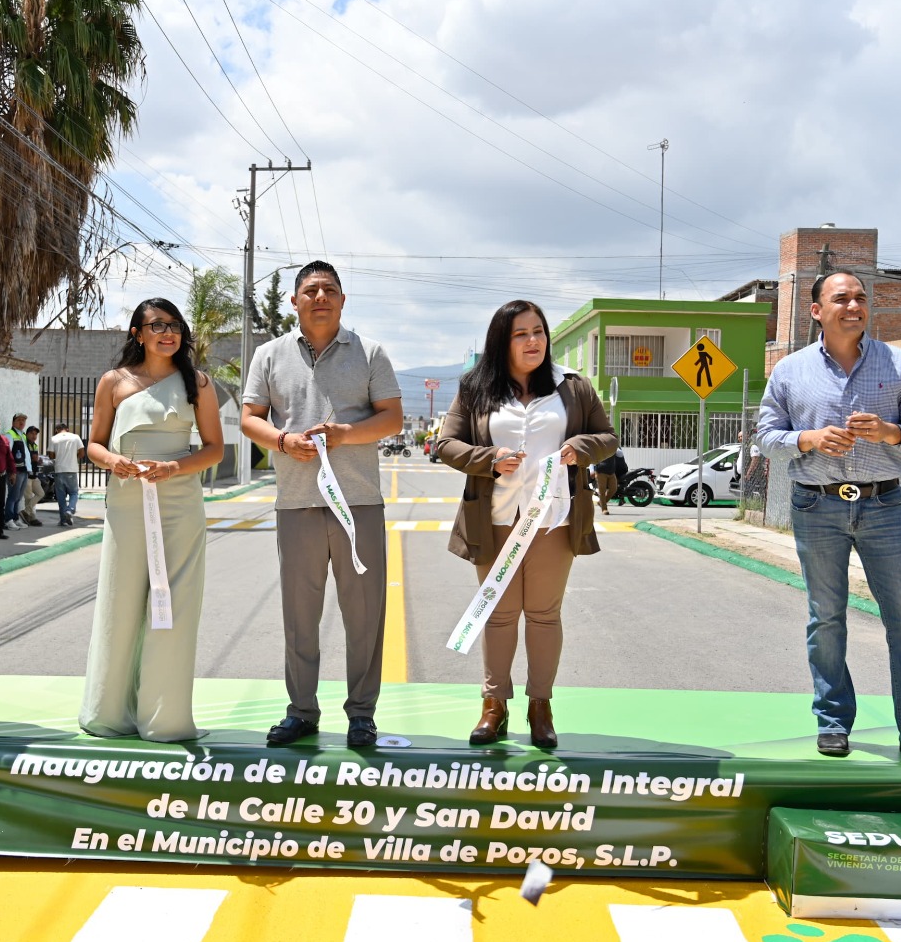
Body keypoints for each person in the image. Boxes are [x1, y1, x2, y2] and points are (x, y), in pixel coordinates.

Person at [756, 271, 901, 769]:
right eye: (841, 298)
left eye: (860, 298)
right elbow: (764, 435)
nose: (853, 305)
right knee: (826, 618)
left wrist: (889, 432)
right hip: (815, 504)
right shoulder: (790, 371)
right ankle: (833, 724)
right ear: (816, 310)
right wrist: (808, 440)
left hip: (883, 505)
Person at [436, 300, 617, 748]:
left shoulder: (572, 388)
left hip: (553, 520)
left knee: (543, 614)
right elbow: (445, 444)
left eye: (539, 331)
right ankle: (494, 707)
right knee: (498, 616)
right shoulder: (475, 389)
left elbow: (608, 437)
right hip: (493, 520)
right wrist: (489, 458)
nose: (533, 340)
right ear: (502, 340)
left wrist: (581, 446)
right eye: (521, 334)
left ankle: (541, 706)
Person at [241, 261, 403, 748]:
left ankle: (361, 714)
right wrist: (284, 440)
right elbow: (250, 418)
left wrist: (347, 434)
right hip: (296, 505)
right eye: (309, 290)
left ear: (342, 299)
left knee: (364, 614)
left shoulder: (370, 353)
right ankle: (302, 711)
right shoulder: (269, 355)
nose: (320, 297)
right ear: (294, 302)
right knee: (300, 614)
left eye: (329, 289)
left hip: (358, 505)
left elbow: (392, 418)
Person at [81, 298, 223, 741]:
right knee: (121, 601)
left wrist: (173, 468)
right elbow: (94, 445)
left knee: (175, 608)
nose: (168, 333)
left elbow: (214, 449)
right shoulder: (113, 382)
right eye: (156, 325)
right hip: (126, 499)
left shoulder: (197, 382)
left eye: (174, 325)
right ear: (137, 334)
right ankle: (109, 712)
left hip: (180, 500)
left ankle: (166, 719)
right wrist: (115, 462)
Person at [48, 422, 84, 526]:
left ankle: (63, 519)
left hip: (59, 470)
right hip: (72, 469)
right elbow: (82, 454)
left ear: (56, 430)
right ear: (67, 429)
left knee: (61, 496)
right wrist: (72, 456)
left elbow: (51, 455)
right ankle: (70, 509)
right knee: (73, 493)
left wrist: (59, 455)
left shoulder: (54, 438)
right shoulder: (75, 437)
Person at [5, 412, 33, 528]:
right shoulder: (10, 434)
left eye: (23, 420)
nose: (21, 422)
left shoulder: (22, 435)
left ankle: (15, 518)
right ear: (13, 422)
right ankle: (8, 520)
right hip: (15, 471)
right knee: (13, 495)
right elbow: (8, 453)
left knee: (18, 496)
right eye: (19, 420)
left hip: (24, 470)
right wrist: (12, 471)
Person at [20, 426, 45, 525]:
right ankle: (32, 518)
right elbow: (22, 458)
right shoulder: (24, 444)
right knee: (29, 497)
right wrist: (33, 459)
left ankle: (26, 512)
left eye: (36, 434)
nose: (34, 436)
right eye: (32, 433)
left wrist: (38, 460)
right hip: (27, 475)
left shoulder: (34, 445)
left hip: (34, 475)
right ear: (27, 434)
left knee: (40, 493)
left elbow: (35, 458)